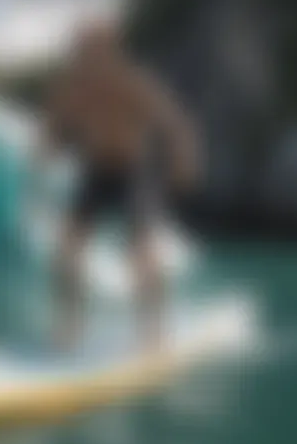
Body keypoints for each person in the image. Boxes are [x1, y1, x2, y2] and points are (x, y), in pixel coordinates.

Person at [33, 18, 202, 354]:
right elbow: (53, 133)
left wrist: (184, 163)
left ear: (110, 51)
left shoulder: (132, 83)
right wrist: (45, 154)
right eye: (81, 50)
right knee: (67, 249)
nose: (86, 58)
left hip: (132, 173)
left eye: (93, 50)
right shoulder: (71, 90)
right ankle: (70, 324)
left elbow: (173, 124)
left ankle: (154, 329)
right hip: (95, 173)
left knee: (141, 254)